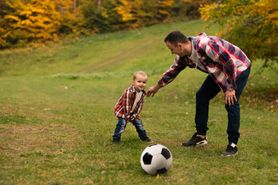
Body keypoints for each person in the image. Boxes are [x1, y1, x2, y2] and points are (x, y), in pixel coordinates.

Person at [147, 31, 251, 156]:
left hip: (239, 66)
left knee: (231, 102)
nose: (171, 52)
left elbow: (229, 62)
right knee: (202, 96)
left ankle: (232, 144)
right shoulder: (183, 56)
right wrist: (157, 87)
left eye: (172, 49)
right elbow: (173, 71)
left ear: (180, 45)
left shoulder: (206, 46)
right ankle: (201, 136)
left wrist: (230, 88)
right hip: (219, 70)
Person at [113, 71, 151, 142]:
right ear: (133, 82)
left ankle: (144, 138)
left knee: (139, 124)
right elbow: (126, 105)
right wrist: (127, 117)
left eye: (144, 82)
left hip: (132, 112)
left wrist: (135, 115)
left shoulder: (142, 93)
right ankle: (116, 139)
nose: (141, 84)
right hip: (123, 111)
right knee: (122, 124)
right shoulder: (128, 92)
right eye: (139, 81)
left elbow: (140, 106)